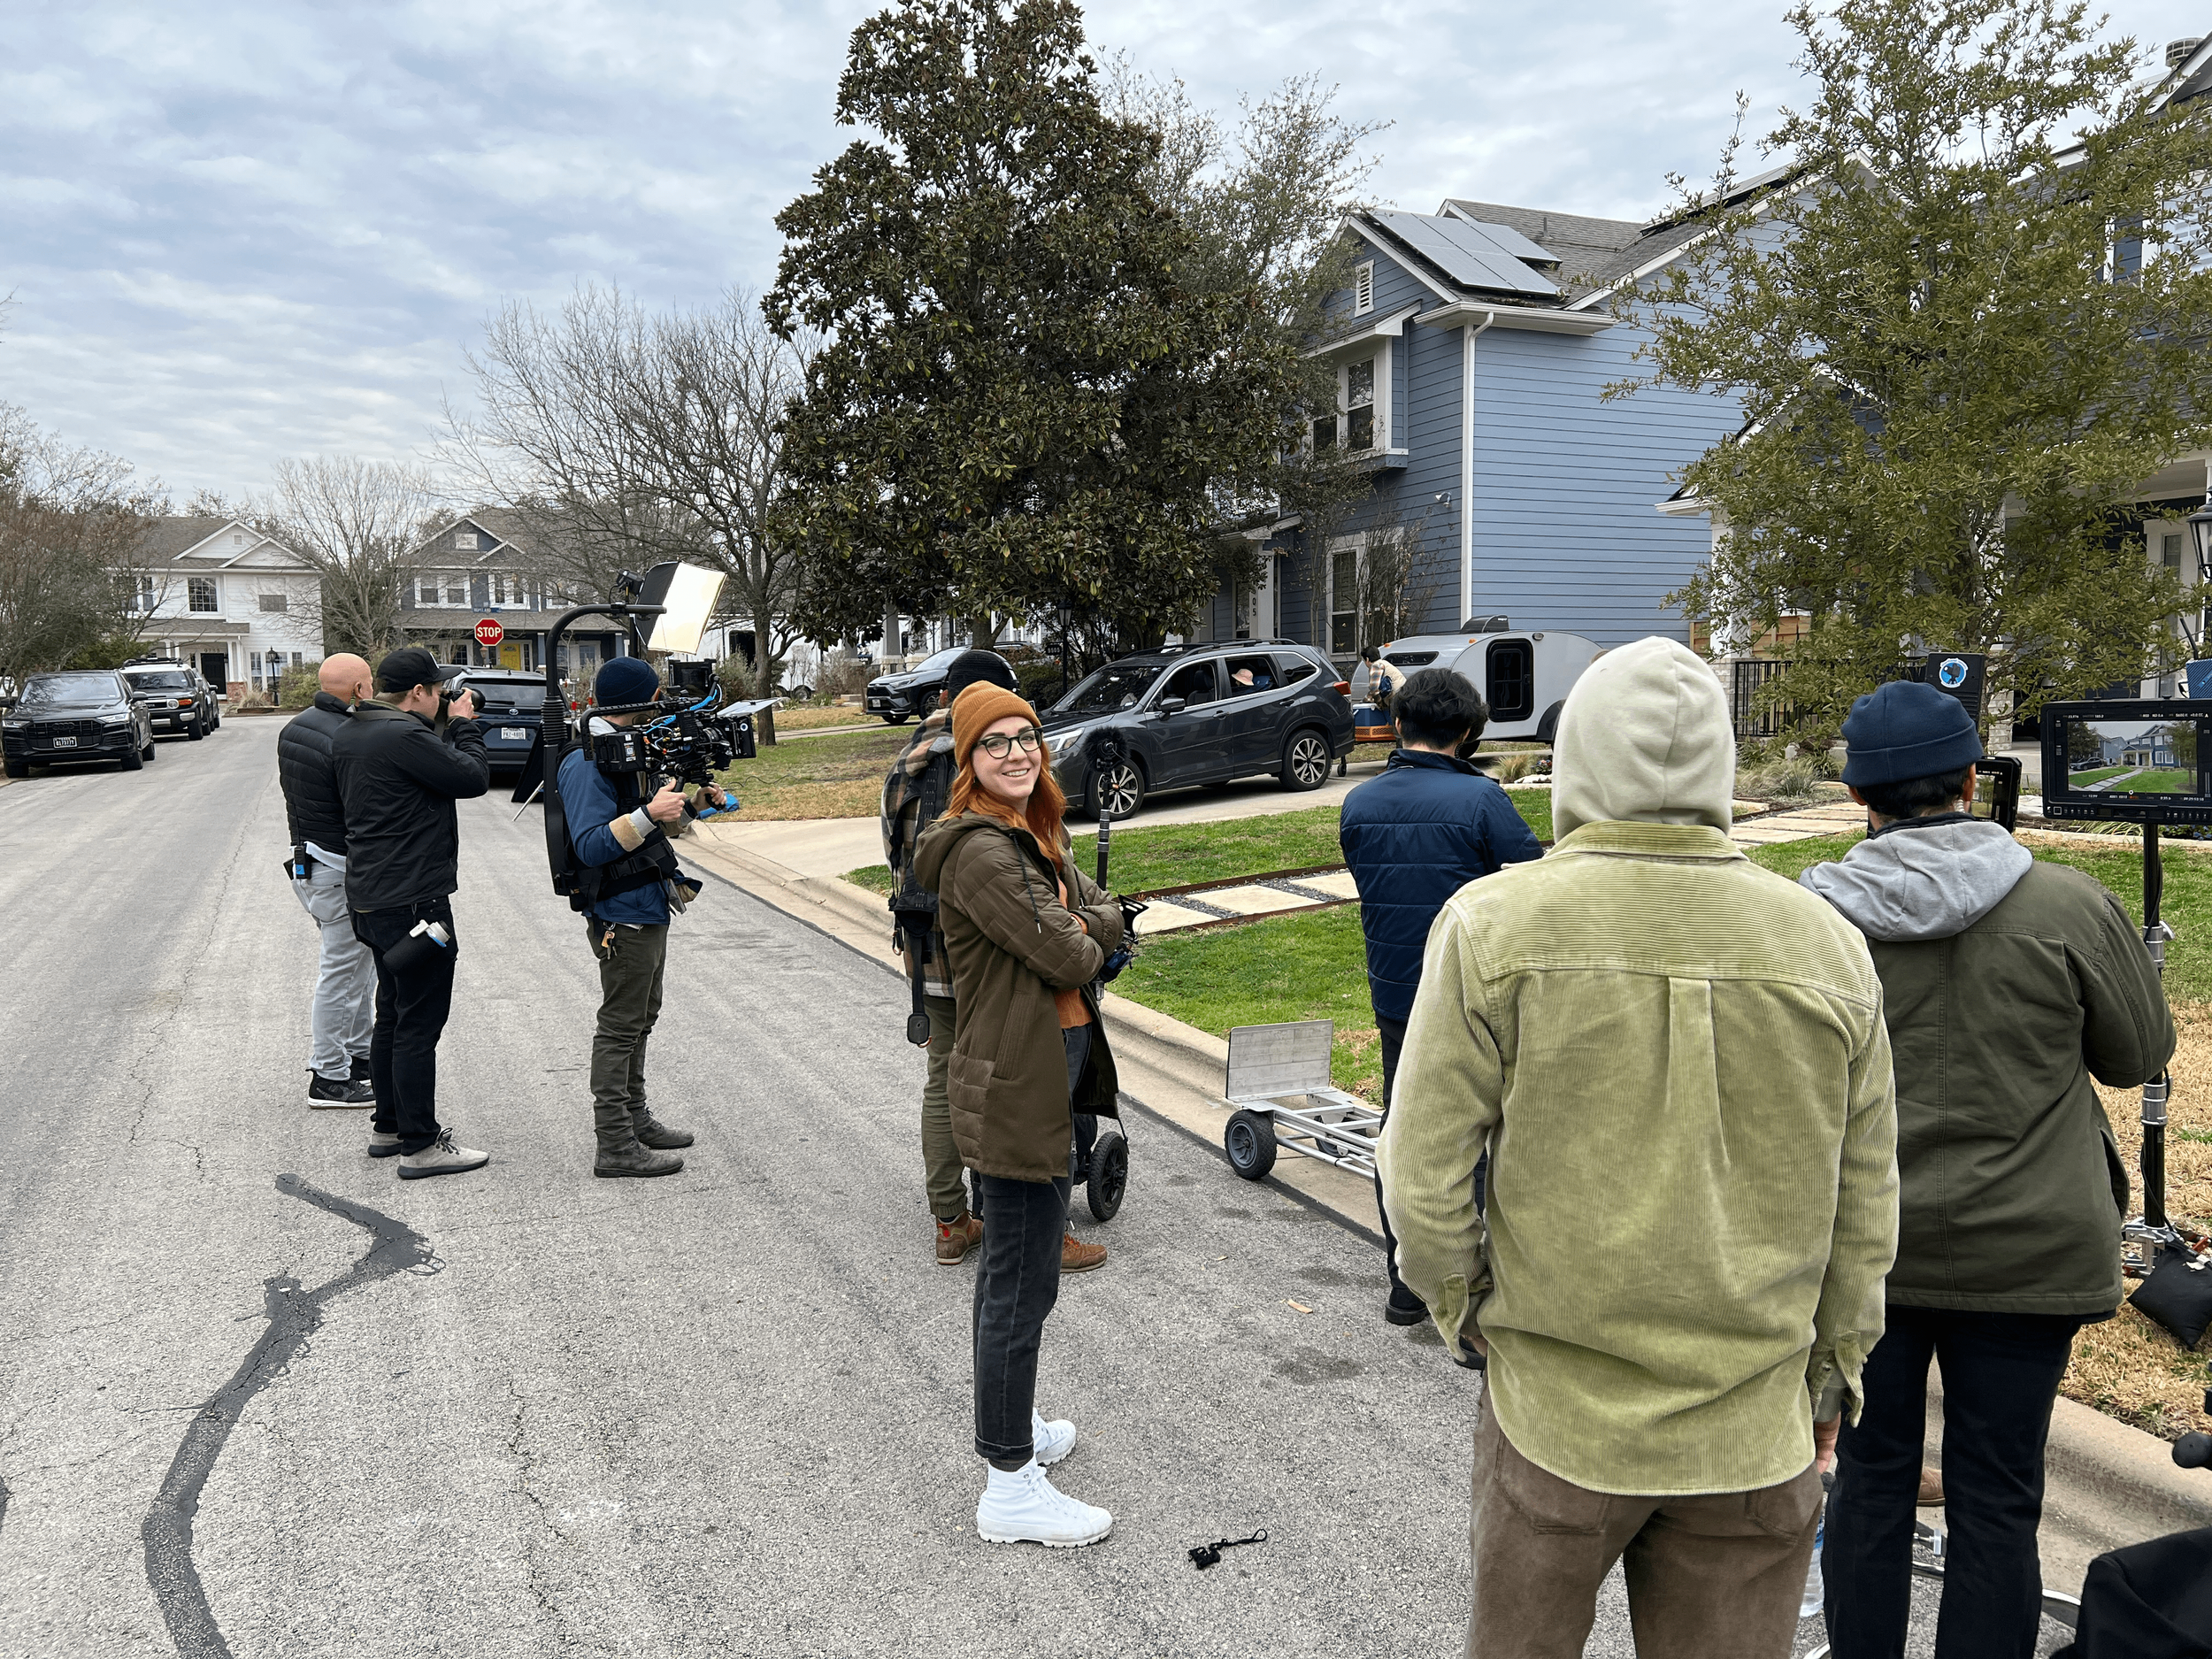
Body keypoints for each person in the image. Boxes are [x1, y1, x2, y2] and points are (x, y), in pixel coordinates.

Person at [1379, 636, 1900, 1658]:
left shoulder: (1493, 925)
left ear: (1579, 760)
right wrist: (1835, 1369)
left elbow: (1421, 1168)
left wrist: (1461, 1307)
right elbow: (1865, 1196)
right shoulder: (1825, 942)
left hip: (1557, 1413)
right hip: (1751, 1424)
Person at [1800, 680, 2175, 1659]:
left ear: (1855, 795)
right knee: (1998, 1501)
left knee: (1871, 1482)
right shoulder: (2064, 902)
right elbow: (2135, 1057)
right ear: (1974, 777)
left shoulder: (1810, 919)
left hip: (1865, 1250)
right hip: (2030, 1249)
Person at [913, 684, 1125, 1548]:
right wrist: (1091, 927)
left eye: (1026, 738)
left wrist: (1090, 921)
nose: (1015, 754)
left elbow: (1099, 912)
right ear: (967, 762)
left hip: (1049, 1057)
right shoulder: (978, 852)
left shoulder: (1033, 834)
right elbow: (1077, 945)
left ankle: (1016, 1425)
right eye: (993, 743)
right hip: (1014, 1078)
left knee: (1021, 1270)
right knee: (1019, 1279)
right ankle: (1008, 1482)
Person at [880, 649, 1104, 1267]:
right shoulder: (998, 764)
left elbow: (896, 853)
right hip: (996, 943)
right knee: (1023, 1075)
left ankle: (952, 1220)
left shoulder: (904, 763)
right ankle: (1037, 1226)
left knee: (949, 1077)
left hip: (927, 947)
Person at [1339, 666, 1540, 1327]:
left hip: (1396, 993)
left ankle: (1406, 1284)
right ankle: (1472, 1284)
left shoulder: (1359, 804)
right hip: (1475, 996)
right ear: (1467, 733)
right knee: (1482, 1132)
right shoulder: (1484, 803)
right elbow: (1532, 886)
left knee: (1404, 1126)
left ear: (1400, 727)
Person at [558, 656, 726, 1179]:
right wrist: (651, 813)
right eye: (656, 697)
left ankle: (635, 1118)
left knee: (641, 1018)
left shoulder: (621, 751)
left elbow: (643, 827)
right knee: (620, 1025)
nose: (662, 707)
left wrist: (691, 805)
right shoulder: (586, 761)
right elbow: (589, 846)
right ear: (639, 700)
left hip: (645, 903)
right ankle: (614, 1145)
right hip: (620, 912)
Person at [331, 647, 493, 1179]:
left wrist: (445, 729)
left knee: (393, 1013)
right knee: (419, 1022)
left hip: (371, 896)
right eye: (439, 691)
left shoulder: (354, 731)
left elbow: (421, 776)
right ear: (418, 693)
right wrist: (465, 725)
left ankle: (389, 1126)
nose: (445, 699)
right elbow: (471, 779)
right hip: (413, 901)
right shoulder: (403, 735)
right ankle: (421, 1144)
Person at [279, 653, 378, 1107]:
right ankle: (328, 1075)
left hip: (311, 862)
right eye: (370, 683)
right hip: (339, 867)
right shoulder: (345, 737)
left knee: (359, 967)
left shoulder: (295, 727)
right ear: (359, 689)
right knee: (342, 971)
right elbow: (359, 810)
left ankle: (359, 1057)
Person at [1362, 645, 1405, 710]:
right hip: (1405, 694)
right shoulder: (1384, 663)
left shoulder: (1376, 666)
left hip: (1398, 698)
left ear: (1367, 659)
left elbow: (1374, 690)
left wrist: (1364, 701)